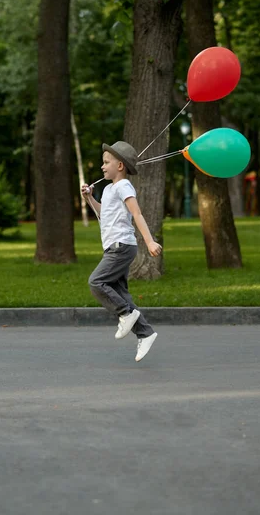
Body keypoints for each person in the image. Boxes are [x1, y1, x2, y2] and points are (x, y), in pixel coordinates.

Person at [81, 141, 162, 362]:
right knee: (122, 294)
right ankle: (145, 334)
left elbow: (137, 214)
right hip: (114, 247)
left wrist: (150, 241)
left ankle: (125, 313)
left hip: (121, 246)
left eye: (106, 162)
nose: (102, 166)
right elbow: (102, 213)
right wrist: (89, 197)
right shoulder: (108, 189)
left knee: (96, 282)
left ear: (120, 166)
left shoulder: (124, 186)